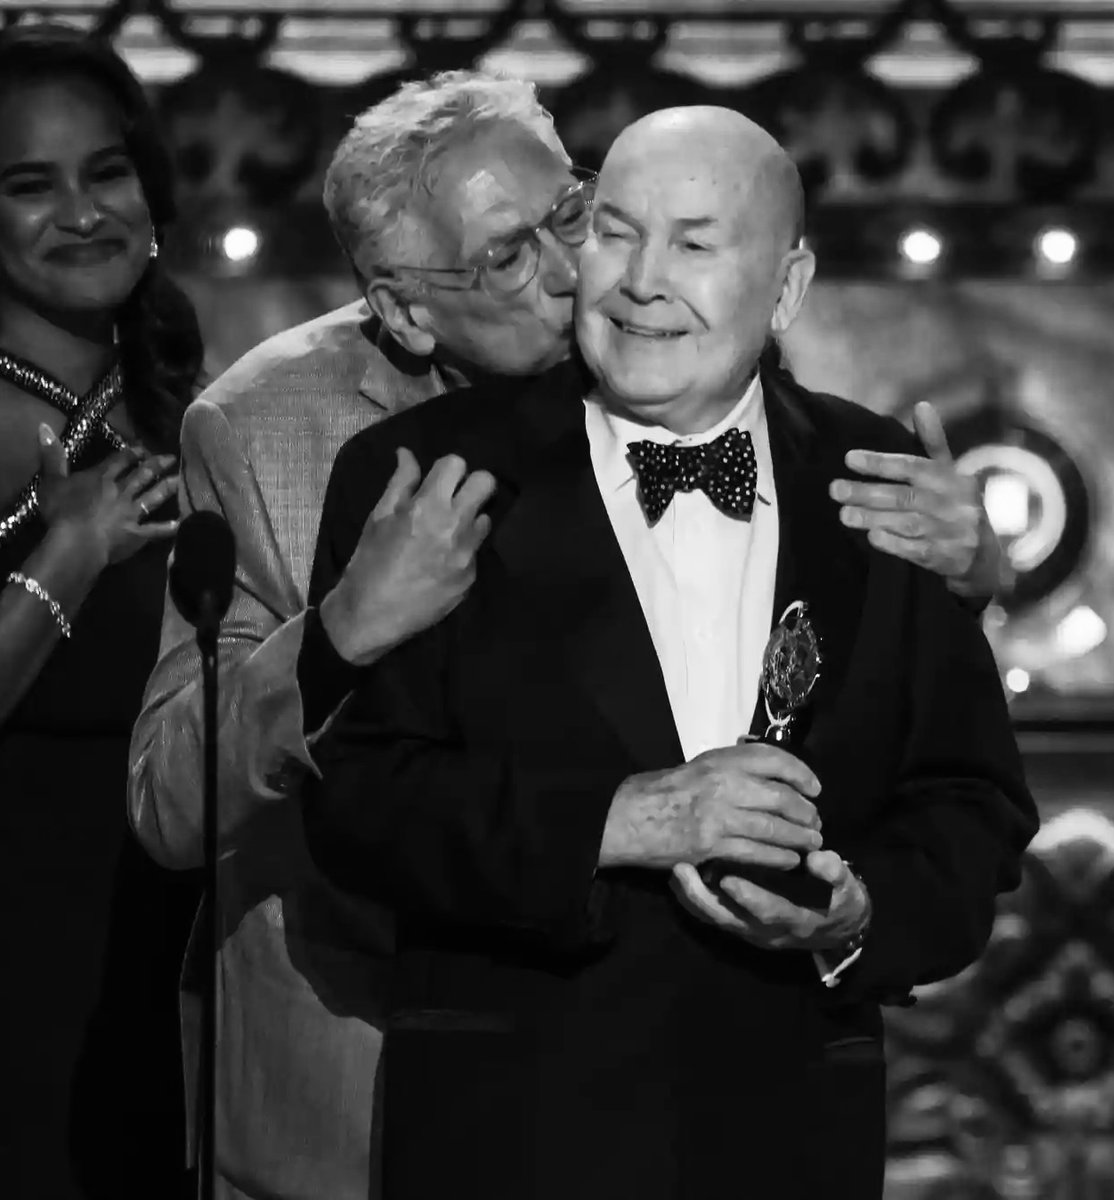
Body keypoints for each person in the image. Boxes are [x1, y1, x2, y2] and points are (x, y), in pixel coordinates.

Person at [129, 73, 1007, 1200]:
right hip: (394, 1069)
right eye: (504, 258)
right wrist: (346, 627)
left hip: (778, 1111)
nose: (576, 275)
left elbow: (952, 780)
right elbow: (224, 798)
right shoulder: (282, 436)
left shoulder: (806, 433)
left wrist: (980, 573)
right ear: (403, 310)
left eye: (572, 217)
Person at [0, 24, 204, 1200]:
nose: (82, 212)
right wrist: (67, 551)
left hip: (168, 967)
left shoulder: (183, 410)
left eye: (106, 171)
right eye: (31, 185)